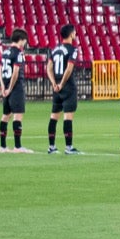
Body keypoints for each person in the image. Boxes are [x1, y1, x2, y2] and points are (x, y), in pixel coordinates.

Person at [46, 23, 81, 154]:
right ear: (71, 34)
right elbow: (69, 68)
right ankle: (69, 147)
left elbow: (49, 67)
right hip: (68, 87)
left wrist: (54, 83)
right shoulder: (73, 50)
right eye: (74, 32)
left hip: (56, 88)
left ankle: (51, 146)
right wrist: (62, 83)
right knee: (68, 116)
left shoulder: (54, 49)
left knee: (54, 116)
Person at [0, 28, 32, 153]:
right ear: (21, 40)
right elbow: (16, 72)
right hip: (16, 88)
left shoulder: (5, 53)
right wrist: (10, 88)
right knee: (18, 116)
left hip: (5, 87)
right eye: (25, 40)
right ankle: (17, 147)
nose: (25, 43)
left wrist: (3, 87)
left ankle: (2, 146)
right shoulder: (19, 53)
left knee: (5, 116)